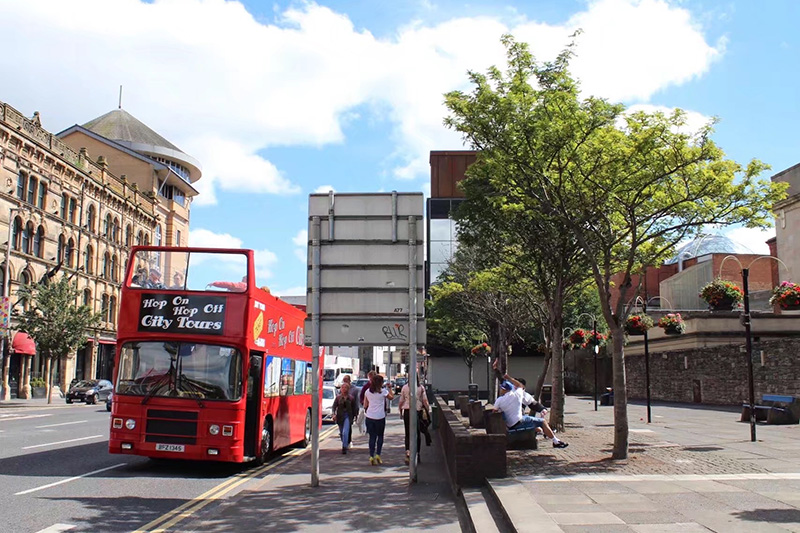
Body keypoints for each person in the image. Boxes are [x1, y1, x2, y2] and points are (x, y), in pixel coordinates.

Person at [493, 377, 568, 448]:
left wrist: (542, 409)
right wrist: (509, 378)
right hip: (518, 422)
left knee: (536, 426)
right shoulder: (517, 394)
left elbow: (494, 411)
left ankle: (546, 434)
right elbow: (532, 403)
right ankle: (555, 441)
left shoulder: (499, 400)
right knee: (542, 422)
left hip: (510, 423)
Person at [398, 375, 431, 465]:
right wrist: (428, 411)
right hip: (417, 411)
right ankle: (417, 453)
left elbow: (401, 401)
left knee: (408, 433)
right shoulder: (421, 388)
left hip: (407, 411)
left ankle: (408, 453)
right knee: (417, 433)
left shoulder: (405, 387)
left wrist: (400, 411)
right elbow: (425, 401)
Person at [363, 373, 394, 465]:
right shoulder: (383, 392)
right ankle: (378, 455)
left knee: (372, 437)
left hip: (370, 416)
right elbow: (391, 397)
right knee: (380, 436)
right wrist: (390, 388)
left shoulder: (367, 392)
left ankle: (371, 456)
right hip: (380, 417)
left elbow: (365, 405)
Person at [332, 383, 357, 454]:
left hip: (348, 416)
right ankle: (345, 443)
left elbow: (354, 408)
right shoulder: (338, 398)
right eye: (342, 387)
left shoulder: (351, 398)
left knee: (345, 432)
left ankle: (344, 447)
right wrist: (334, 414)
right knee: (341, 433)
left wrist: (355, 416)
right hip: (340, 416)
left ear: (348, 389)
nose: (344, 389)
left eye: (345, 387)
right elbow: (334, 407)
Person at [341, 375, 360, 446]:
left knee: (348, 427)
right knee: (342, 429)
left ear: (349, 381)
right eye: (344, 381)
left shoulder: (354, 389)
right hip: (341, 411)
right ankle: (345, 441)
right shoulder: (341, 389)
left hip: (350, 411)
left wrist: (356, 413)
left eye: (346, 381)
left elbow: (356, 402)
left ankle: (348, 441)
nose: (345, 382)